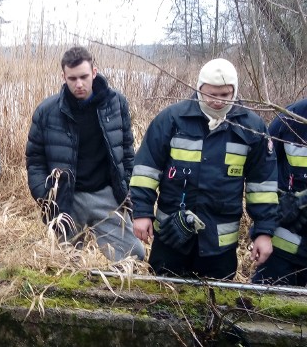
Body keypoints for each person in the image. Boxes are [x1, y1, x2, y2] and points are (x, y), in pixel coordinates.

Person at [130, 58, 277, 279]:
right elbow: (146, 169)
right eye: (210, 94)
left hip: (220, 245)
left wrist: (264, 232)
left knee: (216, 305)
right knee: (162, 304)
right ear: (199, 88)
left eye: (225, 95)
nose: (217, 101)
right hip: (171, 236)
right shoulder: (171, 119)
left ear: (234, 91)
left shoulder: (252, 128)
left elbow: (262, 185)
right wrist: (141, 212)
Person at [25, 46, 145, 261]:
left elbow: (127, 152)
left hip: (106, 195)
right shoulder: (47, 111)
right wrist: (46, 198)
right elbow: (35, 160)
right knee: (65, 264)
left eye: (84, 77)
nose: (78, 84)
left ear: (94, 72)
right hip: (67, 199)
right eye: (72, 78)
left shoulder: (116, 103)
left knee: (133, 257)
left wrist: (127, 190)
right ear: (63, 76)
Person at [253, 98, 307, 286]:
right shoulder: (291, 119)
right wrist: (263, 228)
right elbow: (262, 172)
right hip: (284, 247)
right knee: (260, 308)